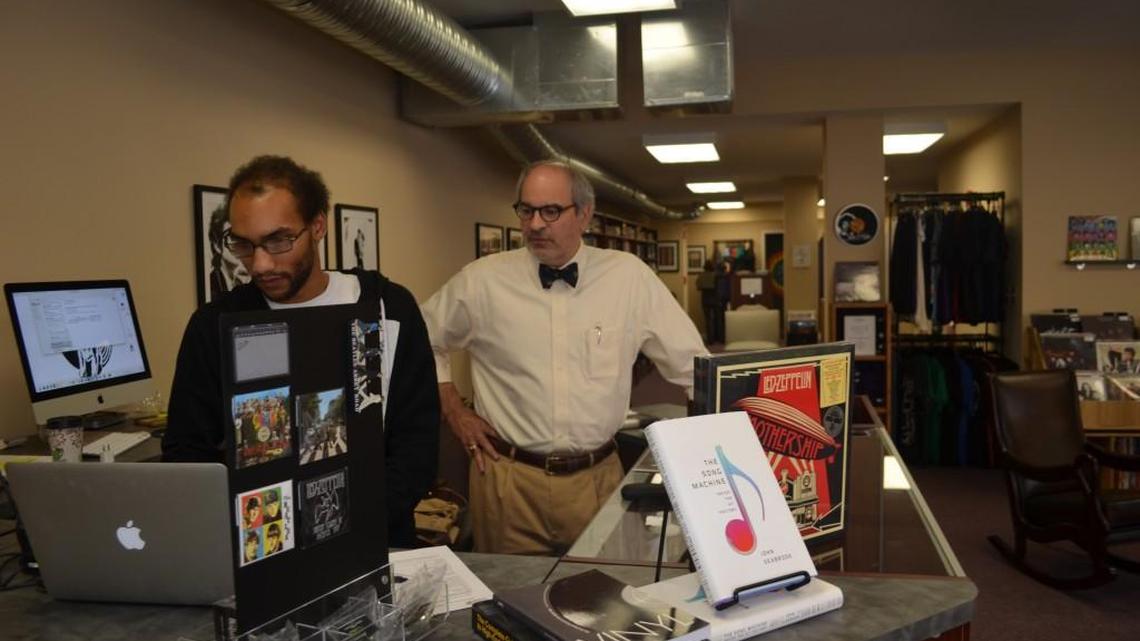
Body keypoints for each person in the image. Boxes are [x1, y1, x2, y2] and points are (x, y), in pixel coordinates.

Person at [420, 159, 707, 555]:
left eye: (551, 211)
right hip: (507, 483)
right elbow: (420, 338)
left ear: (584, 214)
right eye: (527, 210)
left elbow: (694, 367)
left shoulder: (629, 278)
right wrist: (453, 408)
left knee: (604, 589)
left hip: (597, 481)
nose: (536, 224)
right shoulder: (481, 281)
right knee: (509, 590)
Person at [162, 155, 440, 547]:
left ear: (318, 226)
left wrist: (351, 523)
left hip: (376, 537)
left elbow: (417, 444)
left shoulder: (387, 308)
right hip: (261, 542)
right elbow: (187, 451)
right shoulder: (215, 325)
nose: (260, 265)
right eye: (244, 245)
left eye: (279, 241)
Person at [696, 260, 721, 344]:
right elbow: (718, 287)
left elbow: (698, 287)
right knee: (717, 319)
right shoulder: (716, 275)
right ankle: (718, 338)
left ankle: (710, 340)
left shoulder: (701, 275)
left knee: (708, 320)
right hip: (715, 298)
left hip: (705, 298)